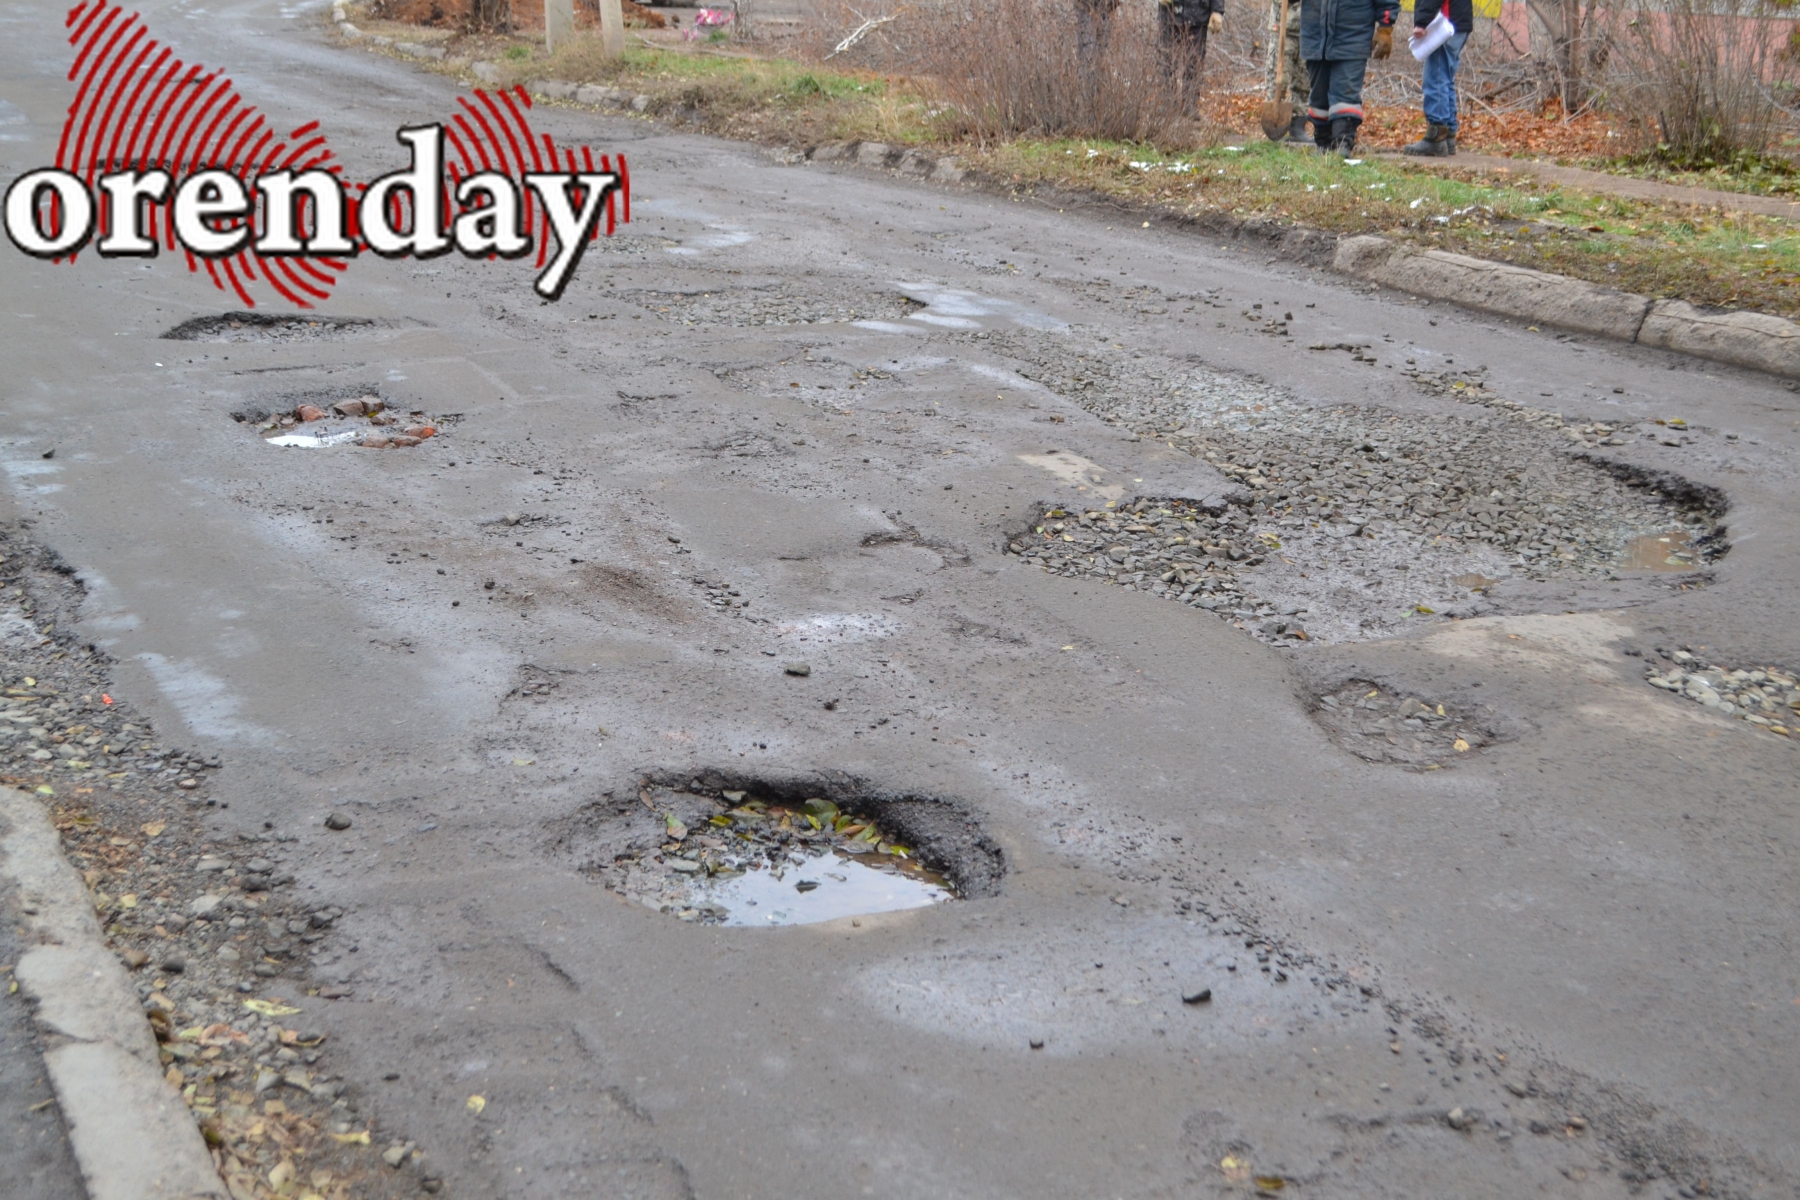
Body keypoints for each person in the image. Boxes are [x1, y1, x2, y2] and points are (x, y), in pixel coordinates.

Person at [1299, 0, 1397, 154]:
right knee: (1319, 96)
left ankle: (1342, 143)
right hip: (1314, 36)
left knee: (1345, 93)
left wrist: (1385, 27)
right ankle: (1323, 144)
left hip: (1353, 37)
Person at [1404, 0, 1474, 156]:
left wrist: (1422, 22)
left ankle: (1436, 136)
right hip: (1458, 22)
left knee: (1436, 79)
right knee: (1446, 79)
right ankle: (1448, 135)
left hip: (1444, 23)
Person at [1158, 0, 1225, 106]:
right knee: (1167, 62)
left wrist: (1217, 10)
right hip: (1170, 13)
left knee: (1194, 63)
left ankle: (1190, 105)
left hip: (1198, 15)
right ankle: (1168, 104)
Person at [1265, 0, 1311, 143]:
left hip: (1309, 28)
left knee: (1304, 81)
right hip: (1283, 27)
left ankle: (1298, 126)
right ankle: (1273, 124)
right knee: (1279, 80)